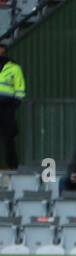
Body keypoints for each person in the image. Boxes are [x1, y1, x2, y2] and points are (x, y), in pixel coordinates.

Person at [0, 43, 26, 171]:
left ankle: (12, 166)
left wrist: (16, 103)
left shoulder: (15, 68)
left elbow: (19, 87)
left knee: (9, 137)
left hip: (7, 107)